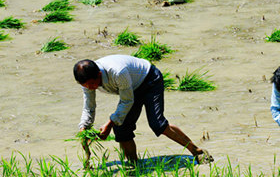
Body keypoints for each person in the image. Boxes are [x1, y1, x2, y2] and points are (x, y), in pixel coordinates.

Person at [74, 55, 213, 164]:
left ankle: (197, 151)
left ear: (98, 74)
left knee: (157, 124)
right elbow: (89, 106)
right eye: (86, 86)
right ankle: (134, 165)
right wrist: (84, 127)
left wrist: (110, 123)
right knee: (122, 129)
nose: (91, 88)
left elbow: (127, 100)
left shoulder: (117, 72)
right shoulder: (86, 81)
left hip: (149, 80)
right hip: (132, 87)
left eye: (92, 84)